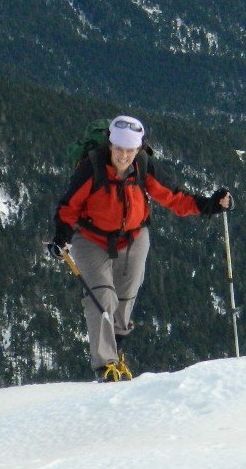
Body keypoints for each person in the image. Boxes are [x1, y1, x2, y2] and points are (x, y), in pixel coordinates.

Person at [49, 114, 232, 379]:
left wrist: (211, 205)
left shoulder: (143, 167)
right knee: (102, 297)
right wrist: (61, 236)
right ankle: (105, 365)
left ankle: (117, 343)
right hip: (90, 239)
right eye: (119, 149)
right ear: (110, 145)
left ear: (138, 149)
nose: (124, 156)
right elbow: (69, 207)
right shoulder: (91, 169)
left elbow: (174, 197)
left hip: (134, 236)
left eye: (130, 150)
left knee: (126, 295)